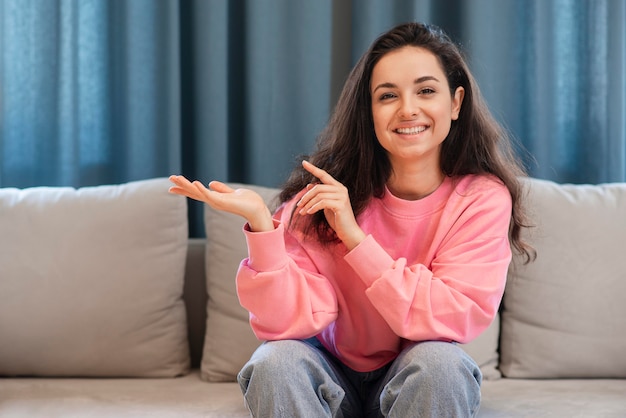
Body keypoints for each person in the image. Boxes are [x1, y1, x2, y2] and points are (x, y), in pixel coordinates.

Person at [169, 21, 533, 418]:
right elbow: (282, 324)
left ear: (456, 102)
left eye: (426, 91)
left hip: (412, 375)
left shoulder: (481, 199)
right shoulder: (324, 194)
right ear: (370, 111)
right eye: (387, 96)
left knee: (442, 366)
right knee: (275, 361)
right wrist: (261, 225)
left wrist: (356, 240)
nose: (408, 109)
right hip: (327, 376)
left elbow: (452, 315)